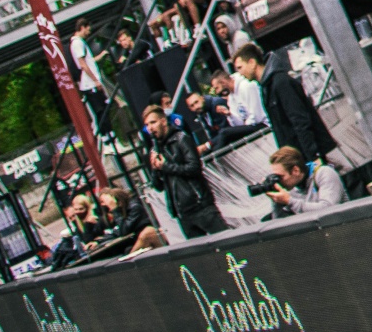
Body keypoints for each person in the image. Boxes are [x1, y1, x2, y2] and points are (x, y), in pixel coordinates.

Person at [233, 44, 338, 164]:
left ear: (252, 63)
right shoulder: (267, 87)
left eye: (240, 67)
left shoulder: (280, 83)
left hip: (307, 155)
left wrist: (313, 156)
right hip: (299, 156)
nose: (240, 73)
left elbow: (300, 119)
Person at [144, 104, 227, 239]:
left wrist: (166, 166)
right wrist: (154, 169)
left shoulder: (181, 138)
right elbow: (158, 186)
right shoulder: (156, 149)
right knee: (199, 250)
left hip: (200, 204)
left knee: (226, 240)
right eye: (147, 125)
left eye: (153, 122)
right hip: (182, 212)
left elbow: (194, 168)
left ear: (163, 121)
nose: (150, 128)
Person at [262, 144, 348, 214]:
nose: (279, 181)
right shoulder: (291, 189)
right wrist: (276, 201)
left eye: (280, 177)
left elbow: (329, 209)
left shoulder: (324, 173)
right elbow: (280, 225)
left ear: (295, 170)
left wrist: (289, 201)